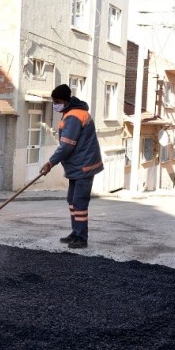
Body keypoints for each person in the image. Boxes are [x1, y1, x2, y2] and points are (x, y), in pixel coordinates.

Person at [39, 84, 103, 249]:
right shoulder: (70, 113)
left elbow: (67, 145)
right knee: (72, 200)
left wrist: (50, 163)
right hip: (77, 165)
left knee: (79, 201)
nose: (55, 105)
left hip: (84, 165)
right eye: (54, 101)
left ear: (66, 101)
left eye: (57, 101)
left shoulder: (74, 116)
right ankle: (76, 232)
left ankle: (82, 238)